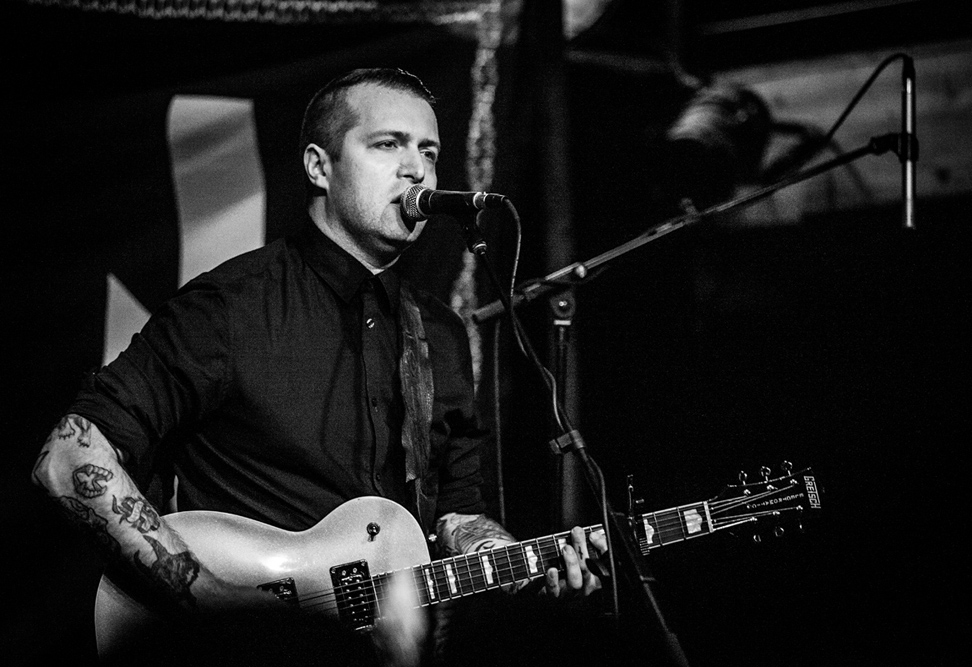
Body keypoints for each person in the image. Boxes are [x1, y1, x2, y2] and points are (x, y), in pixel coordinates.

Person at [31, 68, 604, 665]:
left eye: (429, 152)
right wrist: (207, 600)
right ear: (318, 167)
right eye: (388, 144)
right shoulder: (233, 307)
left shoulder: (439, 335)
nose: (418, 170)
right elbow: (69, 458)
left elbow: (457, 512)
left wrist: (519, 563)